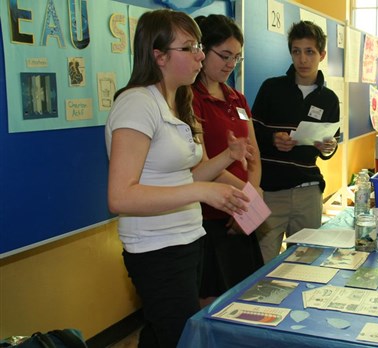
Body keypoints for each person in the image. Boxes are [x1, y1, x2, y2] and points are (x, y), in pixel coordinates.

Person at [105, 9, 251, 348]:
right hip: (157, 249)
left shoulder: (177, 100)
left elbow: (185, 175)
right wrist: (202, 191)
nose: (200, 55)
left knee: (162, 335)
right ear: (158, 56)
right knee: (182, 339)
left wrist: (227, 158)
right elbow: (121, 196)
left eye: (198, 46)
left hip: (187, 240)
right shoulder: (136, 104)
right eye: (188, 48)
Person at [191, 14, 264, 307]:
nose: (230, 64)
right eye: (224, 55)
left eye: (236, 57)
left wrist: (250, 198)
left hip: (241, 215)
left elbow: (254, 156)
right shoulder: (190, 98)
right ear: (202, 50)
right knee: (213, 303)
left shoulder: (238, 99)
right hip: (209, 218)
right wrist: (247, 199)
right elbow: (202, 165)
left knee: (247, 297)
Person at [252, 21, 340, 263]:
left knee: (307, 264)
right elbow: (251, 133)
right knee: (261, 265)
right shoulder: (271, 88)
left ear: (321, 54)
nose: (302, 59)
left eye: (309, 51)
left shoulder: (329, 99)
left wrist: (328, 148)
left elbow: (330, 145)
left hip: (308, 192)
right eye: (296, 51)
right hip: (270, 192)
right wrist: (272, 139)